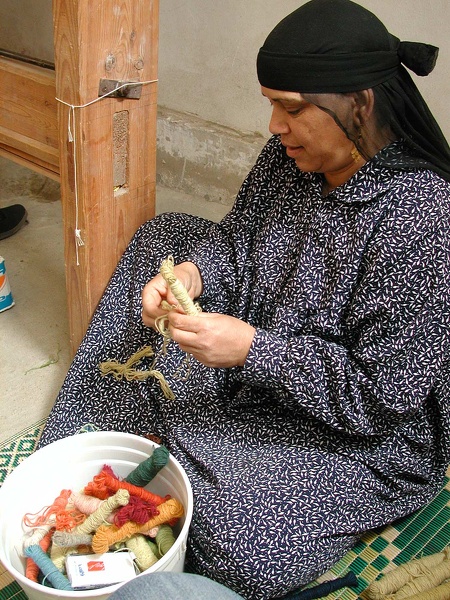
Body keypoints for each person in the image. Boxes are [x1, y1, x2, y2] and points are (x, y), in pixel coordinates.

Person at [37, 0, 450, 598]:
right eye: (271, 106)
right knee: (167, 237)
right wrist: (194, 277)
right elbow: (239, 243)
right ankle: (143, 440)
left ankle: (167, 442)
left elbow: (381, 400)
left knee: (238, 535)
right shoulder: (290, 160)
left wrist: (253, 351)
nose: (276, 126)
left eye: (292, 108)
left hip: (361, 435)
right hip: (260, 351)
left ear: (360, 103)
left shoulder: (423, 220)